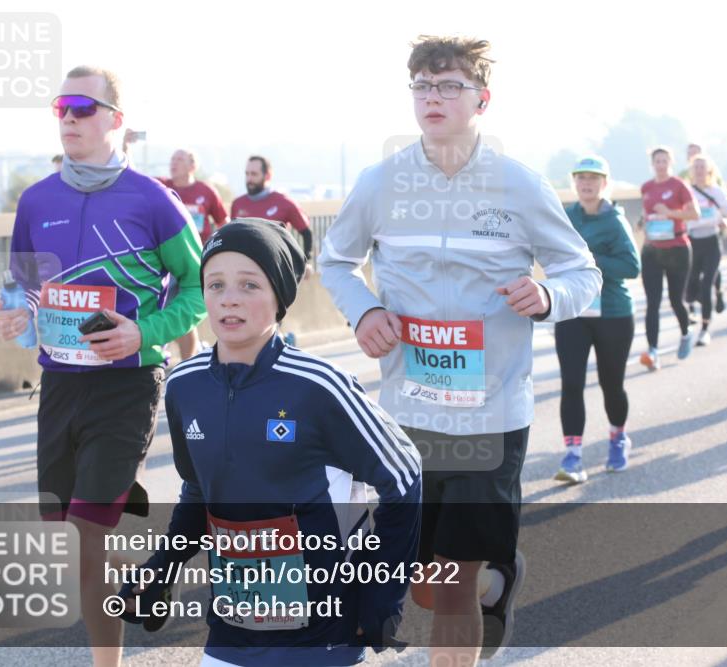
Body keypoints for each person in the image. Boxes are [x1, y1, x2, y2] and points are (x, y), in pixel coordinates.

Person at [318, 36, 600, 666]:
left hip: (490, 416)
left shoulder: (518, 186)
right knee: (423, 584)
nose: (432, 97)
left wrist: (547, 295)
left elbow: (584, 272)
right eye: (422, 86)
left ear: (481, 99)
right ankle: (497, 581)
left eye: (448, 85)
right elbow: (333, 259)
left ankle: (478, 583)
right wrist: (363, 310)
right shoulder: (382, 182)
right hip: (406, 414)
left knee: (450, 591)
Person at [119, 220, 421, 665]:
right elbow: (200, 490)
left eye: (249, 284)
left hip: (324, 630)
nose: (230, 298)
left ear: (279, 295)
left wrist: (382, 596)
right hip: (232, 626)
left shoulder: (320, 386)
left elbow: (405, 476)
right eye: (215, 284)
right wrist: (163, 565)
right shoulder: (184, 385)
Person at [0, 66, 207, 667]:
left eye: (83, 107)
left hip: (127, 384)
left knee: (87, 534)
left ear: (116, 120)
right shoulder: (37, 200)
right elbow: (24, 284)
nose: (68, 117)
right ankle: (142, 575)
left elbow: (197, 288)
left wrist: (145, 331)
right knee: (76, 539)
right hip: (60, 383)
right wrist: (14, 313)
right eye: (61, 105)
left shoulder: (153, 200)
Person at [553, 156, 639, 484]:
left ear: (605, 183)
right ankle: (573, 456)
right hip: (573, 311)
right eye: (581, 178)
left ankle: (618, 439)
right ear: (575, 183)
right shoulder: (566, 216)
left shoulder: (614, 221)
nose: (586, 184)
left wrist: (591, 260)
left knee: (610, 383)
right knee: (571, 384)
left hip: (613, 314)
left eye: (593, 178)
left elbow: (632, 268)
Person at [156, 148, 228, 362]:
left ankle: (186, 362)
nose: (173, 163)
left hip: (197, 261)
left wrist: (219, 250)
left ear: (192, 166)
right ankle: (184, 359)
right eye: (172, 158)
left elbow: (224, 222)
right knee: (170, 309)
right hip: (167, 261)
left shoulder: (206, 191)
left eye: (179, 159)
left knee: (185, 309)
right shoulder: (162, 187)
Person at [639, 146, 700, 371]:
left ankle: (686, 332)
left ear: (670, 163)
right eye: (657, 161)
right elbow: (647, 215)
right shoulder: (646, 187)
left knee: (676, 300)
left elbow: (694, 214)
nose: (661, 165)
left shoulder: (678, 185)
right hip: (653, 250)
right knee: (652, 303)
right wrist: (643, 224)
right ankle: (653, 351)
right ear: (652, 164)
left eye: (665, 161)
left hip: (677, 248)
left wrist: (670, 212)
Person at [685, 153, 727, 346]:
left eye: (702, 167)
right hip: (692, 241)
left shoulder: (716, 191)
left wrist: (726, 221)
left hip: (712, 241)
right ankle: (714, 295)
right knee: (690, 288)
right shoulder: (687, 191)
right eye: (695, 167)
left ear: (709, 171)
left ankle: (704, 329)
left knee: (706, 285)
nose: (698, 170)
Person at [231, 156, 314, 265]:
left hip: (277, 267)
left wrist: (306, 262)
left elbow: (306, 233)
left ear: (268, 176)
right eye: (247, 174)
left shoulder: (284, 202)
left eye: (254, 174)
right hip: (244, 268)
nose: (249, 179)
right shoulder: (237, 204)